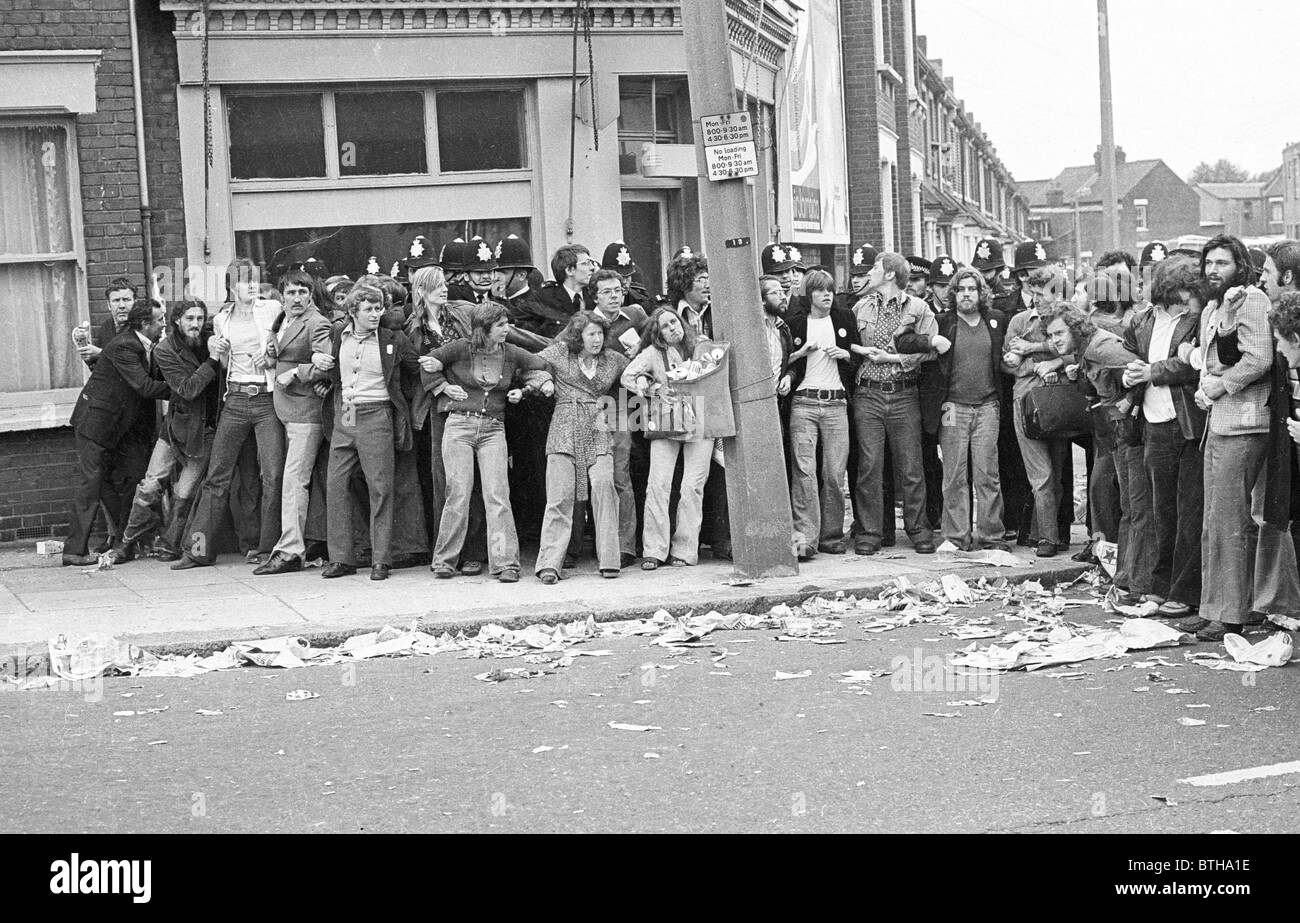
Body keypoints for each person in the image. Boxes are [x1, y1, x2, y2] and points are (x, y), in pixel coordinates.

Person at [1174, 236, 1274, 643]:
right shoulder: (1214, 305)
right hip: (1219, 423)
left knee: (1232, 520)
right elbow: (1211, 359)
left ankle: (1233, 612)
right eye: (1209, 263)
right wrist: (1204, 387)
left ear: (1241, 266)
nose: (1213, 270)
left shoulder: (1250, 300)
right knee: (1214, 518)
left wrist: (1220, 387)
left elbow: (1261, 357)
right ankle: (1214, 606)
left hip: (1247, 424)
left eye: (1222, 262)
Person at [421, 302, 551, 583]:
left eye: (506, 324)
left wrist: (527, 389)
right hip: (458, 425)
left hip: (494, 429)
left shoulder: (511, 352)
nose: (507, 329)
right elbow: (428, 365)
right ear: (484, 328)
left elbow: (542, 364)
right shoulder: (459, 348)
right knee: (458, 492)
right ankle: (444, 560)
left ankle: (505, 563)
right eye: (501, 325)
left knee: (497, 495)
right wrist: (444, 387)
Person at [172, 259, 286, 570]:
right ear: (231, 286)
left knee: (272, 475)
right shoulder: (222, 319)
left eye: (253, 280)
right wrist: (215, 351)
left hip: (265, 399)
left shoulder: (273, 309)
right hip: (235, 399)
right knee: (216, 476)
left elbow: (286, 347)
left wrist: (273, 357)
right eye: (242, 281)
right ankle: (198, 550)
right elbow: (224, 366)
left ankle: (267, 549)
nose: (249, 286)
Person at [1043, 304, 1150, 601]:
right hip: (1116, 430)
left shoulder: (1101, 347)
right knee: (1127, 504)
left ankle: (1134, 580)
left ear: (1075, 328)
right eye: (1051, 336)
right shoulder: (1086, 350)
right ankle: (1126, 576)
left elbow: (1141, 370)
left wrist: (1131, 404)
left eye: (1060, 332)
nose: (1056, 340)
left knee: (1135, 505)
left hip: (1132, 428)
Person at [102, 299, 220, 565]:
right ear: (177, 320)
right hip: (176, 426)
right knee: (150, 485)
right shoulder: (165, 349)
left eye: (200, 319)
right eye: (189, 318)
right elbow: (188, 389)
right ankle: (128, 542)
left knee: (185, 492)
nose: (196, 324)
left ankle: (170, 544)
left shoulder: (213, 338)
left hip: (206, 429)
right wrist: (213, 360)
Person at [317, 281, 421, 581]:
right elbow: (333, 371)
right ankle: (341, 558)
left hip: (377, 413)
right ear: (353, 311)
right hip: (346, 412)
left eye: (378, 308)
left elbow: (417, 369)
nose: (375, 314)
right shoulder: (339, 335)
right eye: (368, 309)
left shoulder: (393, 339)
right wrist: (318, 363)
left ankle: (380, 559)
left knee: (380, 487)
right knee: (336, 484)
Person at [897, 268, 1007, 551]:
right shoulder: (942, 322)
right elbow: (903, 340)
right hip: (951, 406)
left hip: (987, 406)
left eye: (972, 289)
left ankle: (991, 536)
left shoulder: (995, 320)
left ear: (981, 293)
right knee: (954, 474)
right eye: (962, 289)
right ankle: (956, 537)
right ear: (954, 294)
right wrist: (931, 340)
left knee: (988, 473)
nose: (967, 294)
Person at [1121, 254, 1206, 618]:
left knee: (1189, 510)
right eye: (1186, 289)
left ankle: (1185, 591)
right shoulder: (1141, 322)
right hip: (1153, 423)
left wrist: (1150, 372)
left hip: (1187, 422)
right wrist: (1128, 377)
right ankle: (1160, 584)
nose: (1191, 295)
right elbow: (1128, 360)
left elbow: (1192, 365)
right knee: (1161, 511)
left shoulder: (1198, 321)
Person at [62, 300, 170, 566]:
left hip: (117, 428)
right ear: (145, 324)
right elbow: (144, 387)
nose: (164, 324)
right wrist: (186, 388)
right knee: (92, 484)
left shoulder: (145, 345)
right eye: (160, 320)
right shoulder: (125, 345)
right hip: (95, 424)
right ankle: (74, 551)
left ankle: (125, 541)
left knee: (131, 478)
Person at [848, 251, 937, 556]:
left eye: (874, 267)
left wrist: (895, 358)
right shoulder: (860, 306)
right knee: (870, 465)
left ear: (889, 274)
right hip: (867, 394)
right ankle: (870, 532)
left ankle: (918, 530)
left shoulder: (919, 307)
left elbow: (933, 348)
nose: (868, 272)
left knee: (911, 465)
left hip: (903, 393)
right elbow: (848, 343)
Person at [533, 312, 628, 583]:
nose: (597, 339)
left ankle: (610, 560)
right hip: (564, 425)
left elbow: (635, 368)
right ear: (578, 336)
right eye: (591, 334)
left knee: (604, 486)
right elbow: (530, 364)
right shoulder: (561, 352)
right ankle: (550, 564)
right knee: (560, 493)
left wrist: (642, 378)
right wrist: (544, 381)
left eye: (600, 334)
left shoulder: (613, 358)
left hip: (597, 426)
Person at [253, 269, 334, 576]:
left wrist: (296, 373)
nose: (297, 298)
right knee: (290, 480)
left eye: (303, 292)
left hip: (305, 413)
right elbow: (284, 354)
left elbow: (327, 362)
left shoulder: (317, 322)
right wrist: (273, 361)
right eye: (291, 292)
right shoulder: (282, 321)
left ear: (311, 294)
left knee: (293, 481)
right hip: (285, 411)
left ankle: (290, 551)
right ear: (282, 296)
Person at [622, 306, 712, 569]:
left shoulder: (701, 346)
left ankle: (684, 550)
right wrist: (652, 387)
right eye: (666, 326)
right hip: (666, 421)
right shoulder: (652, 353)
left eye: (674, 322)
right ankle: (654, 550)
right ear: (657, 332)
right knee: (658, 484)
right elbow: (628, 375)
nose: (673, 328)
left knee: (692, 486)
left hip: (701, 421)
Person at [784, 270, 859, 559]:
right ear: (809, 295)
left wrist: (847, 356)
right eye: (820, 291)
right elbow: (783, 361)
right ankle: (805, 539)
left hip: (836, 403)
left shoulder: (843, 319)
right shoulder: (795, 324)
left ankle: (831, 535)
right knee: (804, 472)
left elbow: (857, 358)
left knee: (834, 472)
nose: (827, 295)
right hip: (803, 402)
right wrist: (800, 353)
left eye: (830, 290)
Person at [1003, 264, 1072, 558]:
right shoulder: (1020, 321)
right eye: (1039, 293)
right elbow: (1008, 363)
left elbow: (1077, 350)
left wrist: (1043, 356)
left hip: (1057, 404)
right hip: (1026, 403)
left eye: (1049, 293)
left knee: (1056, 474)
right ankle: (1047, 538)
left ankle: (1048, 533)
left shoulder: (1067, 319)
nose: (1043, 299)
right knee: (1041, 475)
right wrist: (1037, 366)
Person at [589, 268, 649, 565]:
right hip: (596, 407)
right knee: (600, 478)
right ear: (595, 296)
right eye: (607, 292)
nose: (615, 296)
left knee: (621, 475)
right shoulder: (587, 324)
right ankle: (604, 544)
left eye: (617, 290)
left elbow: (660, 338)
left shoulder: (636, 316)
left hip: (626, 406)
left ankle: (625, 546)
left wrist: (642, 349)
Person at [75, 277, 137, 369]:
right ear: (108, 305)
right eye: (116, 300)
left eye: (126, 300)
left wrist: (100, 353)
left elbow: (132, 362)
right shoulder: (106, 327)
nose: (122, 306)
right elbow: (97, 368)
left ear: (135, 302)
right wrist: (85, 348)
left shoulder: (142, 327)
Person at [537, 244, 596, 317]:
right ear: (569, 270)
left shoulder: (595, 295)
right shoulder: (547, 298)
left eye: (592, 263)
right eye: (586, 263)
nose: (592, 267)